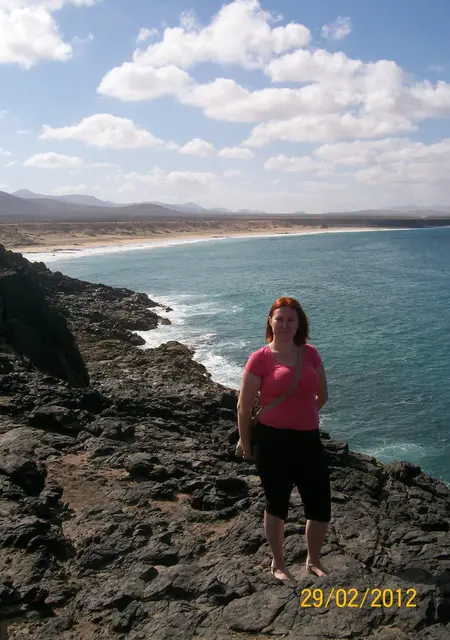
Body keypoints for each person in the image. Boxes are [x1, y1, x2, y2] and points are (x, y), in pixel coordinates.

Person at [237, 296, 331, 582]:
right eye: (280, 319)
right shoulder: (260, 358)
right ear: (270, 321)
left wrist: (302, 415)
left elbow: (322, 396)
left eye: (291, 319)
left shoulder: (310, 353)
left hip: (308, 440)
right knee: (277, 503)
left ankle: (313, 559)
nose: (285, 324)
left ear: (299, 323)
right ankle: (278, 563)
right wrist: (247, 444)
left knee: (320, 504)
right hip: (272, 441)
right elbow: (243, 407)